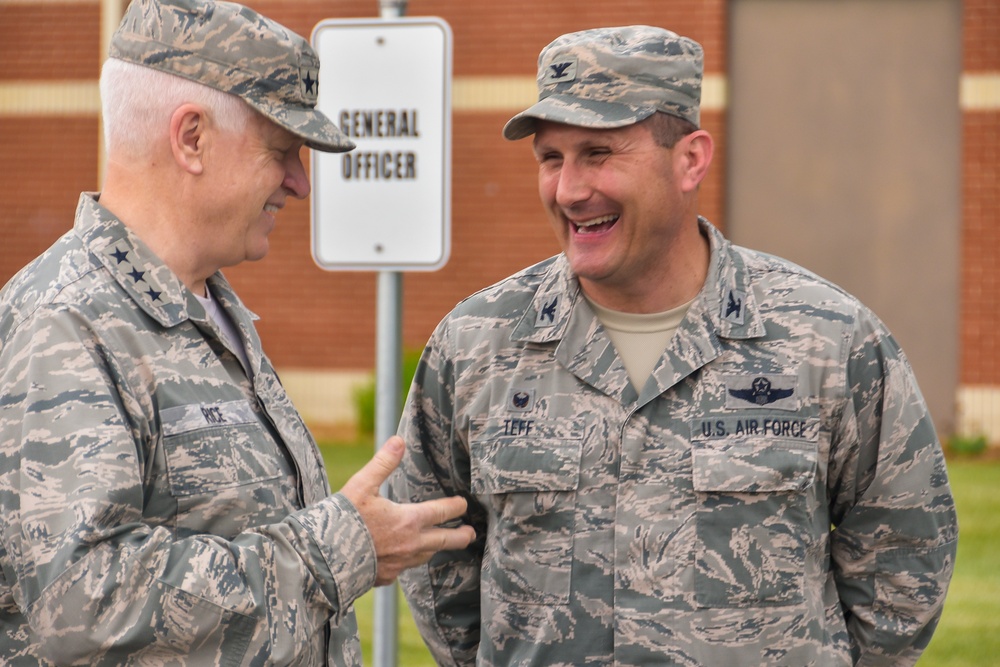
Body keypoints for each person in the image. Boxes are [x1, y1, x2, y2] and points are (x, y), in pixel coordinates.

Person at [388, 25, 958, 666]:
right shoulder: (477, 344)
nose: (570, 190)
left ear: (690, 159)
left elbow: (904, 556)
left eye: (599, 154)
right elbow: (437, 559)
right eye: (552, 158)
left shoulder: (827, 338)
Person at [0, 0, 475, 664]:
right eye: (281, 150)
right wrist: (337, 546)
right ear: (190, 137)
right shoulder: (65, 324)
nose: (300, 184)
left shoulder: (207, 310)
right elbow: (82, 603)